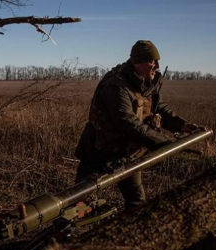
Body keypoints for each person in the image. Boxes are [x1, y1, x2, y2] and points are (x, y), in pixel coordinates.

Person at [75, 40, 205, 209]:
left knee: (136, 202)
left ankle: (130, 233)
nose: (157, 66)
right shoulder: (116, 85)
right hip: (100, 152)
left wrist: (182, 125)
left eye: (157, 61)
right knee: (78, 203)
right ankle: (61, 233)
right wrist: (164, 142)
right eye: (152, 61)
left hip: (128, 153)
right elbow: (128, 122)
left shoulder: (145, 82)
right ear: (137, 62)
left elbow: (158, 107)